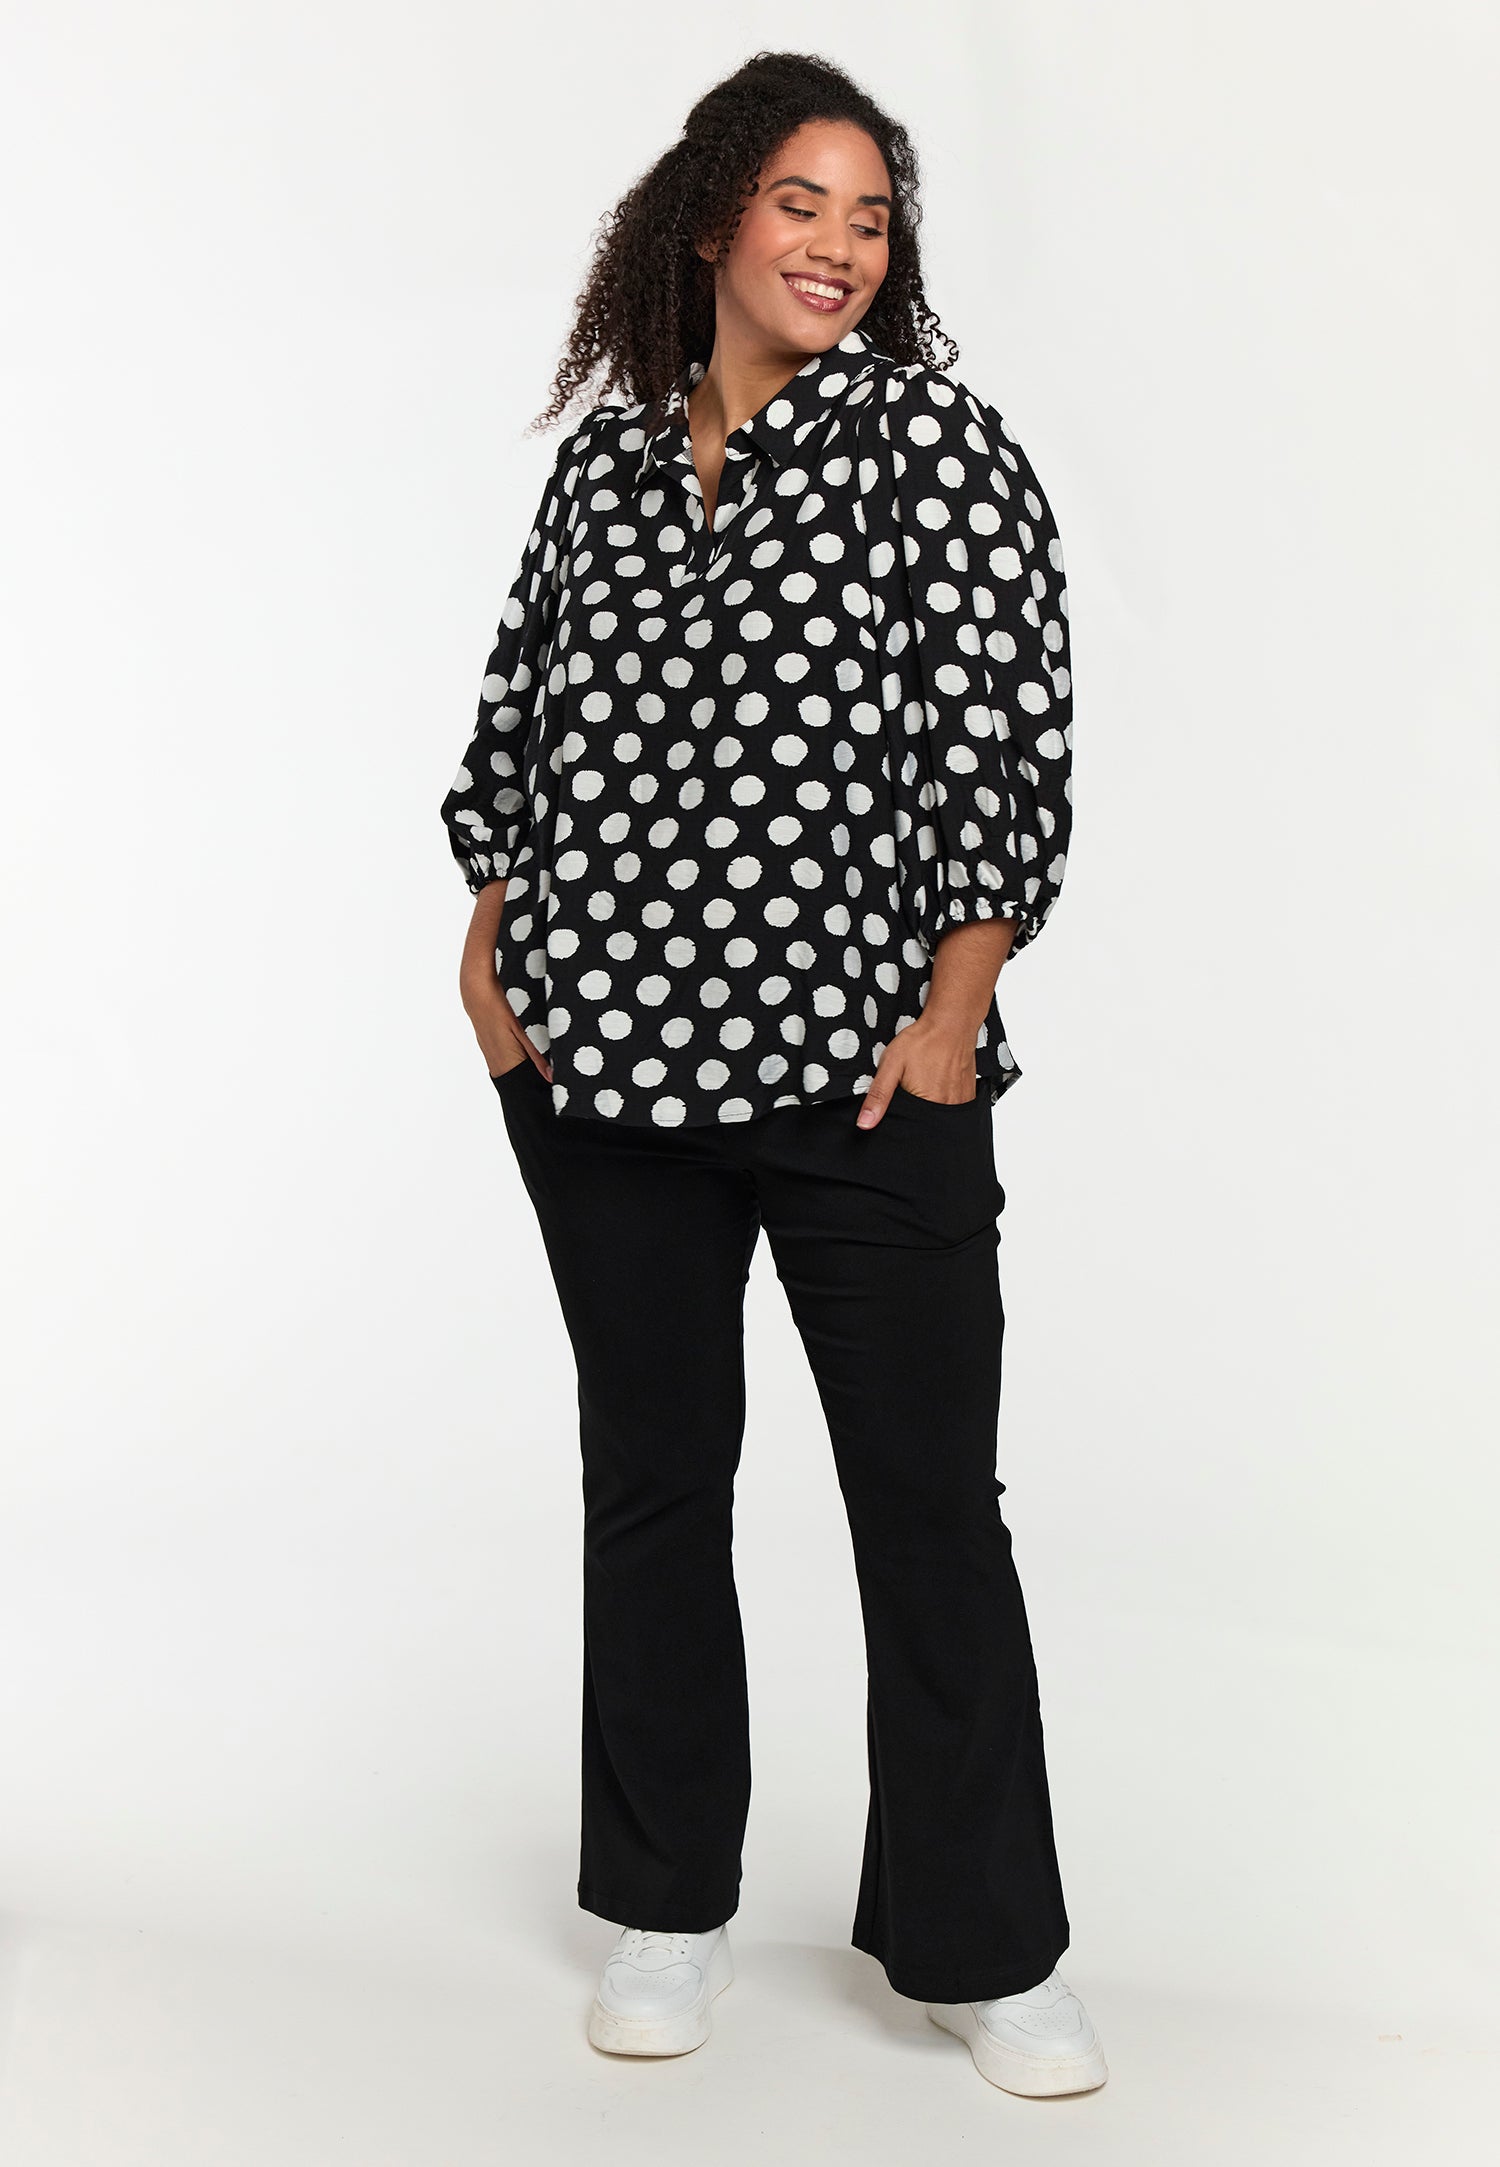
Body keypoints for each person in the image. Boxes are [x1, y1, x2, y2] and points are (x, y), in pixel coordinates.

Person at [438, 50, 1105, 2098]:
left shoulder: (931, 446)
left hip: (867, 1087)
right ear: (715, 213)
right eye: (802, 202)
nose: (838, 244)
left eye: (872, 215)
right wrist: (493, 956)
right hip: (607, 1075)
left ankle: (986, 1947)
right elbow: (522, 719)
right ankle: (664, 1905)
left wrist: (949, 1009)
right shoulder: (610, 466)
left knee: (929, 1504)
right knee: (653, 1486)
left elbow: (1007, 735)